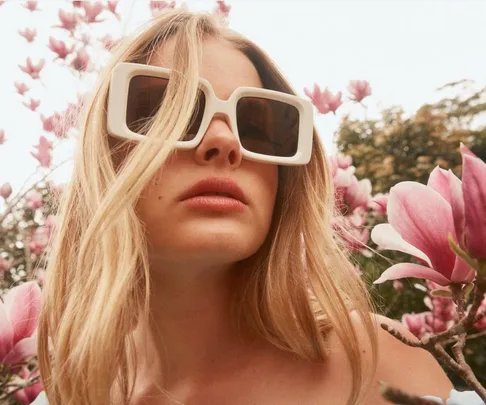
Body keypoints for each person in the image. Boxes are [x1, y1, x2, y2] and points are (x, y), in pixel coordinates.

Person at [35, 9, 455, 405]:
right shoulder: (71, 390)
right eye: (170, 112)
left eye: (259, 126)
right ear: (103, 160)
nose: (225, 142)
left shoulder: (371, 360)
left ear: (283, 180)